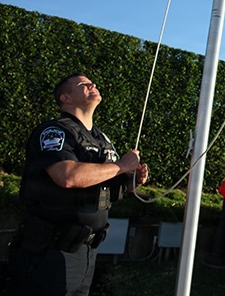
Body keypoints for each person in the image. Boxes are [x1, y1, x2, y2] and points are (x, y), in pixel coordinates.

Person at [6, 73, 149, 296]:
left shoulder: (102, 139)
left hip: (86, 252)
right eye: (83, 84)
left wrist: (132, 181)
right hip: (49, 251)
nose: (93, 84)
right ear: (66, 98)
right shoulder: (55, 131)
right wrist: (121, 166)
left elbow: (106, 186)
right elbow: (67, 176)